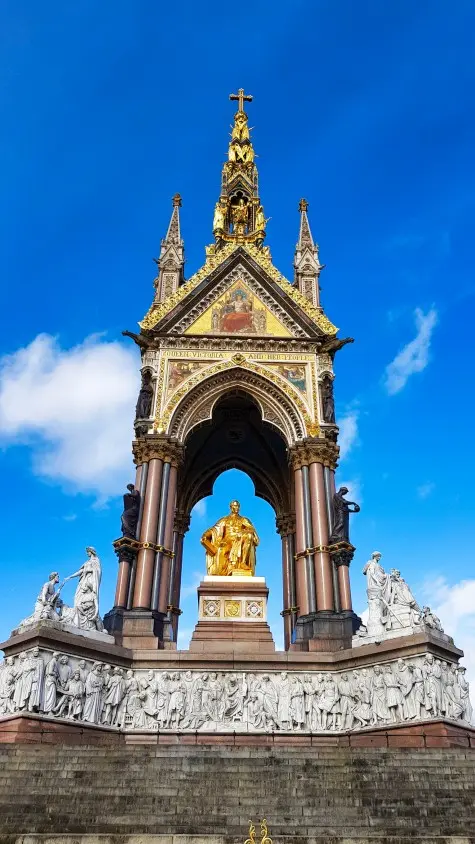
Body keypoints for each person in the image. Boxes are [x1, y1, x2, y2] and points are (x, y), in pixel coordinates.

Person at [201, 500, 259, 577]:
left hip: (241, 540)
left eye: (238, 506)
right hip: (227, 542)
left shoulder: (244, 520)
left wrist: (243, 533)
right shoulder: (224, 520)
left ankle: (243, 563)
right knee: (221, 549)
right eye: (235, 506)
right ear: (231, 507)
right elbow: (214, 529)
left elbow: (252, 530)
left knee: (248, 536)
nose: (237, 508)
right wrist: (206, 535)